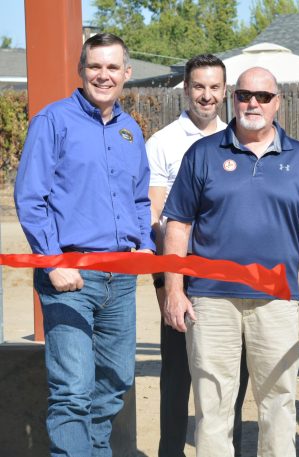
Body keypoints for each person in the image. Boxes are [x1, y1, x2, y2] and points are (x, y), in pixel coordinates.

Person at [161, 66, 299, 457]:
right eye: (244, 95)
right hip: (210, 299)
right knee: (213, 405)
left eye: (263, 96)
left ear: (278, 103)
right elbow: (178, 227)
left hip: (276, 299)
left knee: (279, 401)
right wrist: (174, 289)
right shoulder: (203, 153)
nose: (252, 103)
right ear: (232, 99)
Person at [14, 33, 154, 456]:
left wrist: (144, 242)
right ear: (82, 70)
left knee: (113, 385)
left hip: (120, 280)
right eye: (95, 66)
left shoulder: (131, 131)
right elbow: (31, 198)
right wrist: (54, 263)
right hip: (68, 276)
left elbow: (139, 198)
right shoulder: (52, 121)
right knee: (73, 391)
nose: (103, 75)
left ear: (126, 74)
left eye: (113, 67)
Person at [145, 54, 249, 457]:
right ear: (186, 89)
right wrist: (165, 282)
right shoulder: (164, 143)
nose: (207, 96)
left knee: (229, 380)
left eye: (215, 87)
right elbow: (155, 217)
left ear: (225, 92)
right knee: (177, 378)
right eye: (199, 87)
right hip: (183, 277)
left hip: (228, 278)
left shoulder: (241, 137)